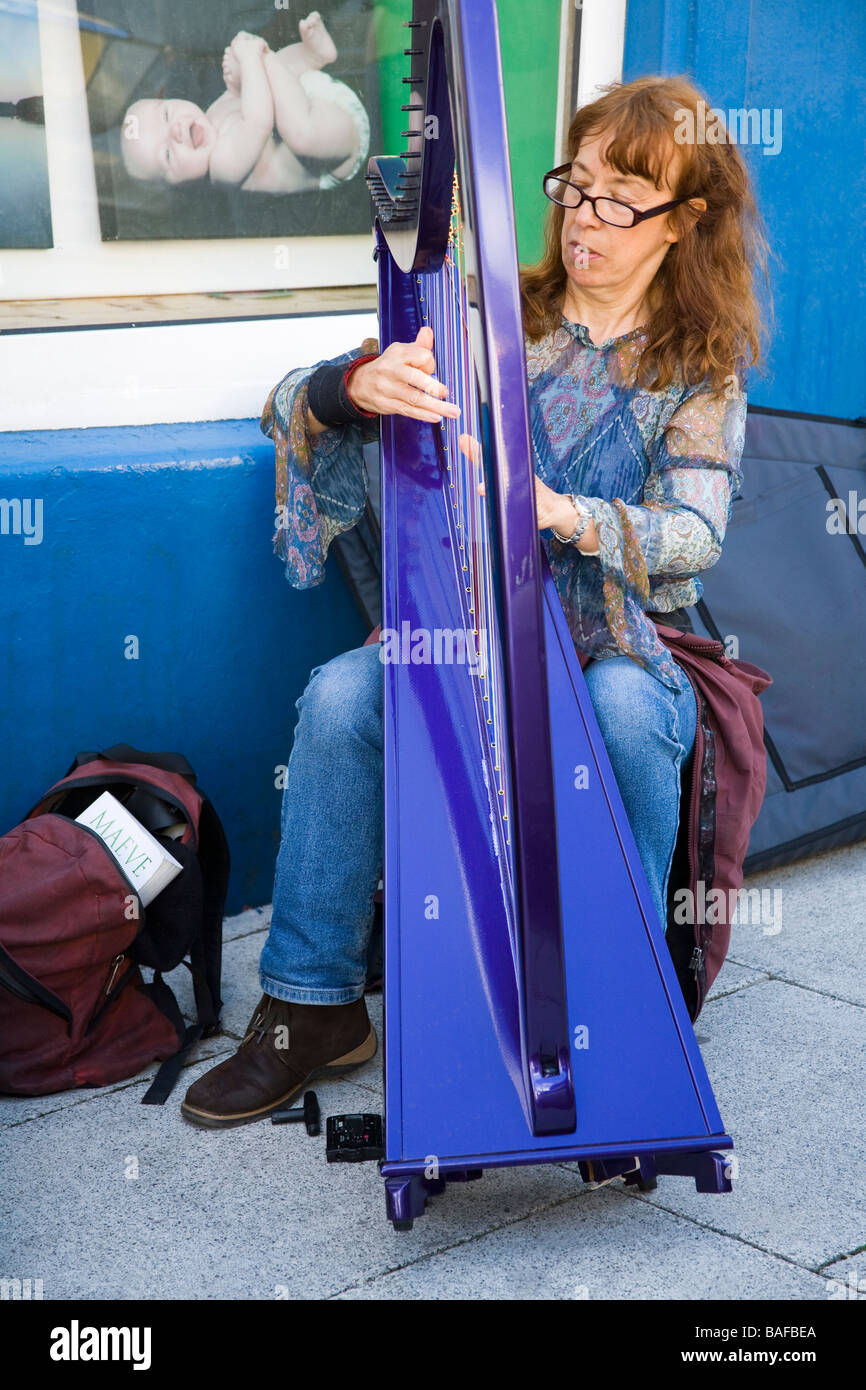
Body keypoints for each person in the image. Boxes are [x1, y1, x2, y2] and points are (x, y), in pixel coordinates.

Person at [181, 74, 769, 1129]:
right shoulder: (488, 314)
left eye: (620, 201)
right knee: (340, 698)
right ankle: (310, 1008)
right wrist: (346, 390)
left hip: (618, 643)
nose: (583, 218)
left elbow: (695, 536)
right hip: (465, 631)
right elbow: (287, 408)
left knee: (628, 718)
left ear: (684, 224)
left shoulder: (699, 369)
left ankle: (615, 999)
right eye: (574, 186)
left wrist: (559, 511)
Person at [120, 12, 370, 195]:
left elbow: (248, 98)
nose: (174, 131)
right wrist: (250, 59)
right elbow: (258, 122)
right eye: (166, 154)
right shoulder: (224, 169)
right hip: (337, 142)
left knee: (267, 77)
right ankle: (270, 56)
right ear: (176, 186)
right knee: (299, 133)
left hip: (308, 98)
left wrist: (239, 83)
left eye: (166, 115)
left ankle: (312, 55)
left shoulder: (211, 113)